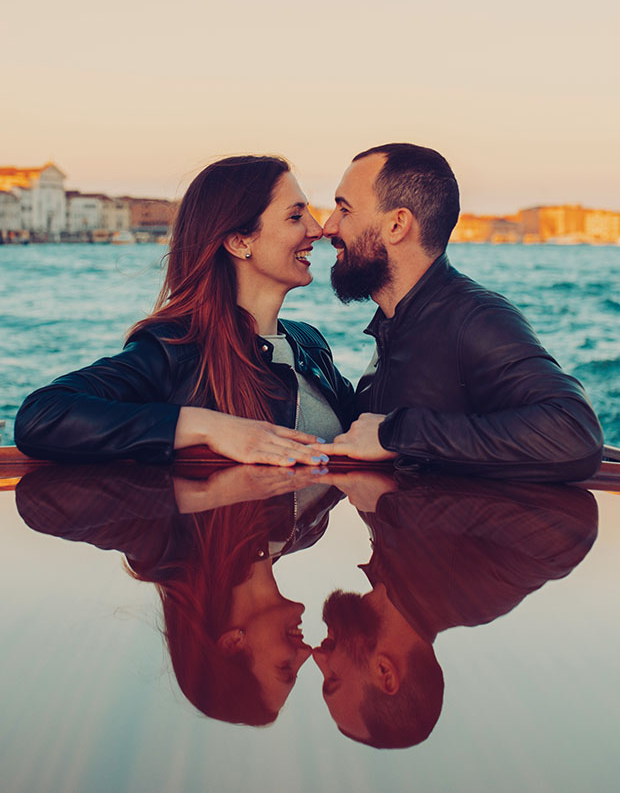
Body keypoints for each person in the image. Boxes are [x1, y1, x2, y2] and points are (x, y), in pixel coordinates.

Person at [15, 156, 354, 465]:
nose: (317, 229)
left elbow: (368, 431)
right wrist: (206, 427)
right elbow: (42, 415)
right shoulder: (178, 347)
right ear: (239, 242)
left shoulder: (309, 343)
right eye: (295, 216)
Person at [313, 143, 604, 481]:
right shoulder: (394, 324)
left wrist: (394, 434)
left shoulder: (476, 318)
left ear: (397, 226)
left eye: (344, 210)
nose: (328, 227)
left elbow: (574, 432)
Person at [17, 460, 343, 725]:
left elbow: (39, 502)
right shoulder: (310, 529)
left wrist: (198, 492)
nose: (306, 655)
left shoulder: (165, 542)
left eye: (285, 668)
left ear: (232, 643)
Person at [312, 470, 598, 748]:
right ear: (385, 672)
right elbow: (573, 528)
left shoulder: (387, 572)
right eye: (333, 679)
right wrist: (391, 502)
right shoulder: (471, 595)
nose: (317, 657)